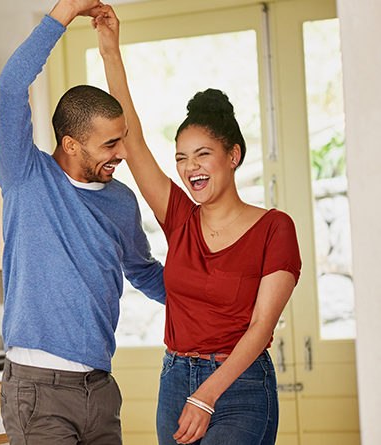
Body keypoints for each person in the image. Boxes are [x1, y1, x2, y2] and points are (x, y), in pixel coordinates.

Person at [93, 5, 302, 445]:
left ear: (234, 155)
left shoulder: (275, 229)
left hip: (242, 386)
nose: (191, 168)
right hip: (174, 380)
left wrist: (207, 395)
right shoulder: (179, 218)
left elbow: (262, 326)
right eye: (181, 158)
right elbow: (131, 140)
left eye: (203, 154)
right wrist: (110, 48)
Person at [0, 1, 166, 443]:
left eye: (122, 140)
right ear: (71, 144)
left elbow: (145, 272)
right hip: (37, 390)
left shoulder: (121, 201)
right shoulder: (26, 176)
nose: (122, 153)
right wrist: (64, 13)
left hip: (101, 389)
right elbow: (10, 91)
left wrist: (212, 300)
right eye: (111, 144)